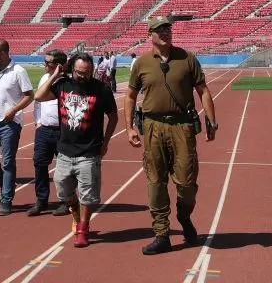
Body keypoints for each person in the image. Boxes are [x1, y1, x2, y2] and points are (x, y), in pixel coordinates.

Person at [125, 16, 219, 255]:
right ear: (151, 35)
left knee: (187, 183)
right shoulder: (142, 63)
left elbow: (203, 90)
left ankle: (184, 216)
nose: (165, 32)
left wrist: (211, 121)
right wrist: (129, 127)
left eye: (168, 28)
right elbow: (130, 96)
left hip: (182, 128)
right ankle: (161, 234)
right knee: (156, 183)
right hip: (153, 127)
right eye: (160, 29)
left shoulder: (187, 58)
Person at [34, 52, 118, 248]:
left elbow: (113, 117)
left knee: (88, 195)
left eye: (88, 73)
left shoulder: (101, 89)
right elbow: (38, 96)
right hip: (64, 150)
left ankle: (83, 228)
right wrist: (55, 76)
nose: (83, 76)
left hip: (89, 152)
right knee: (63, 191)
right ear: (72, 69)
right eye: (80, 72)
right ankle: (76, 215)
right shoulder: (63, 84)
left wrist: (105, 143)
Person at [0, 39, 34, 216]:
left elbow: (29, 96)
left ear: (3, 53)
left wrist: (14, 110)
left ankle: (7, 200)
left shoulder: (19, 71)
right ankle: (6, 185)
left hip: (10, 124)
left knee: (8, 161)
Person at [26, 49, 68, 217]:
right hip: (44, 129)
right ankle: (41, 201)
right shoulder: (45, 78)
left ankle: (66, 201)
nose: (44, 64)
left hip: (63, 131)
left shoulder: (68, 81)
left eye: (48, 62)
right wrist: (37, 121)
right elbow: (38, 101)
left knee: (65, 169)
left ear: (59, 65)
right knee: (39, 164)